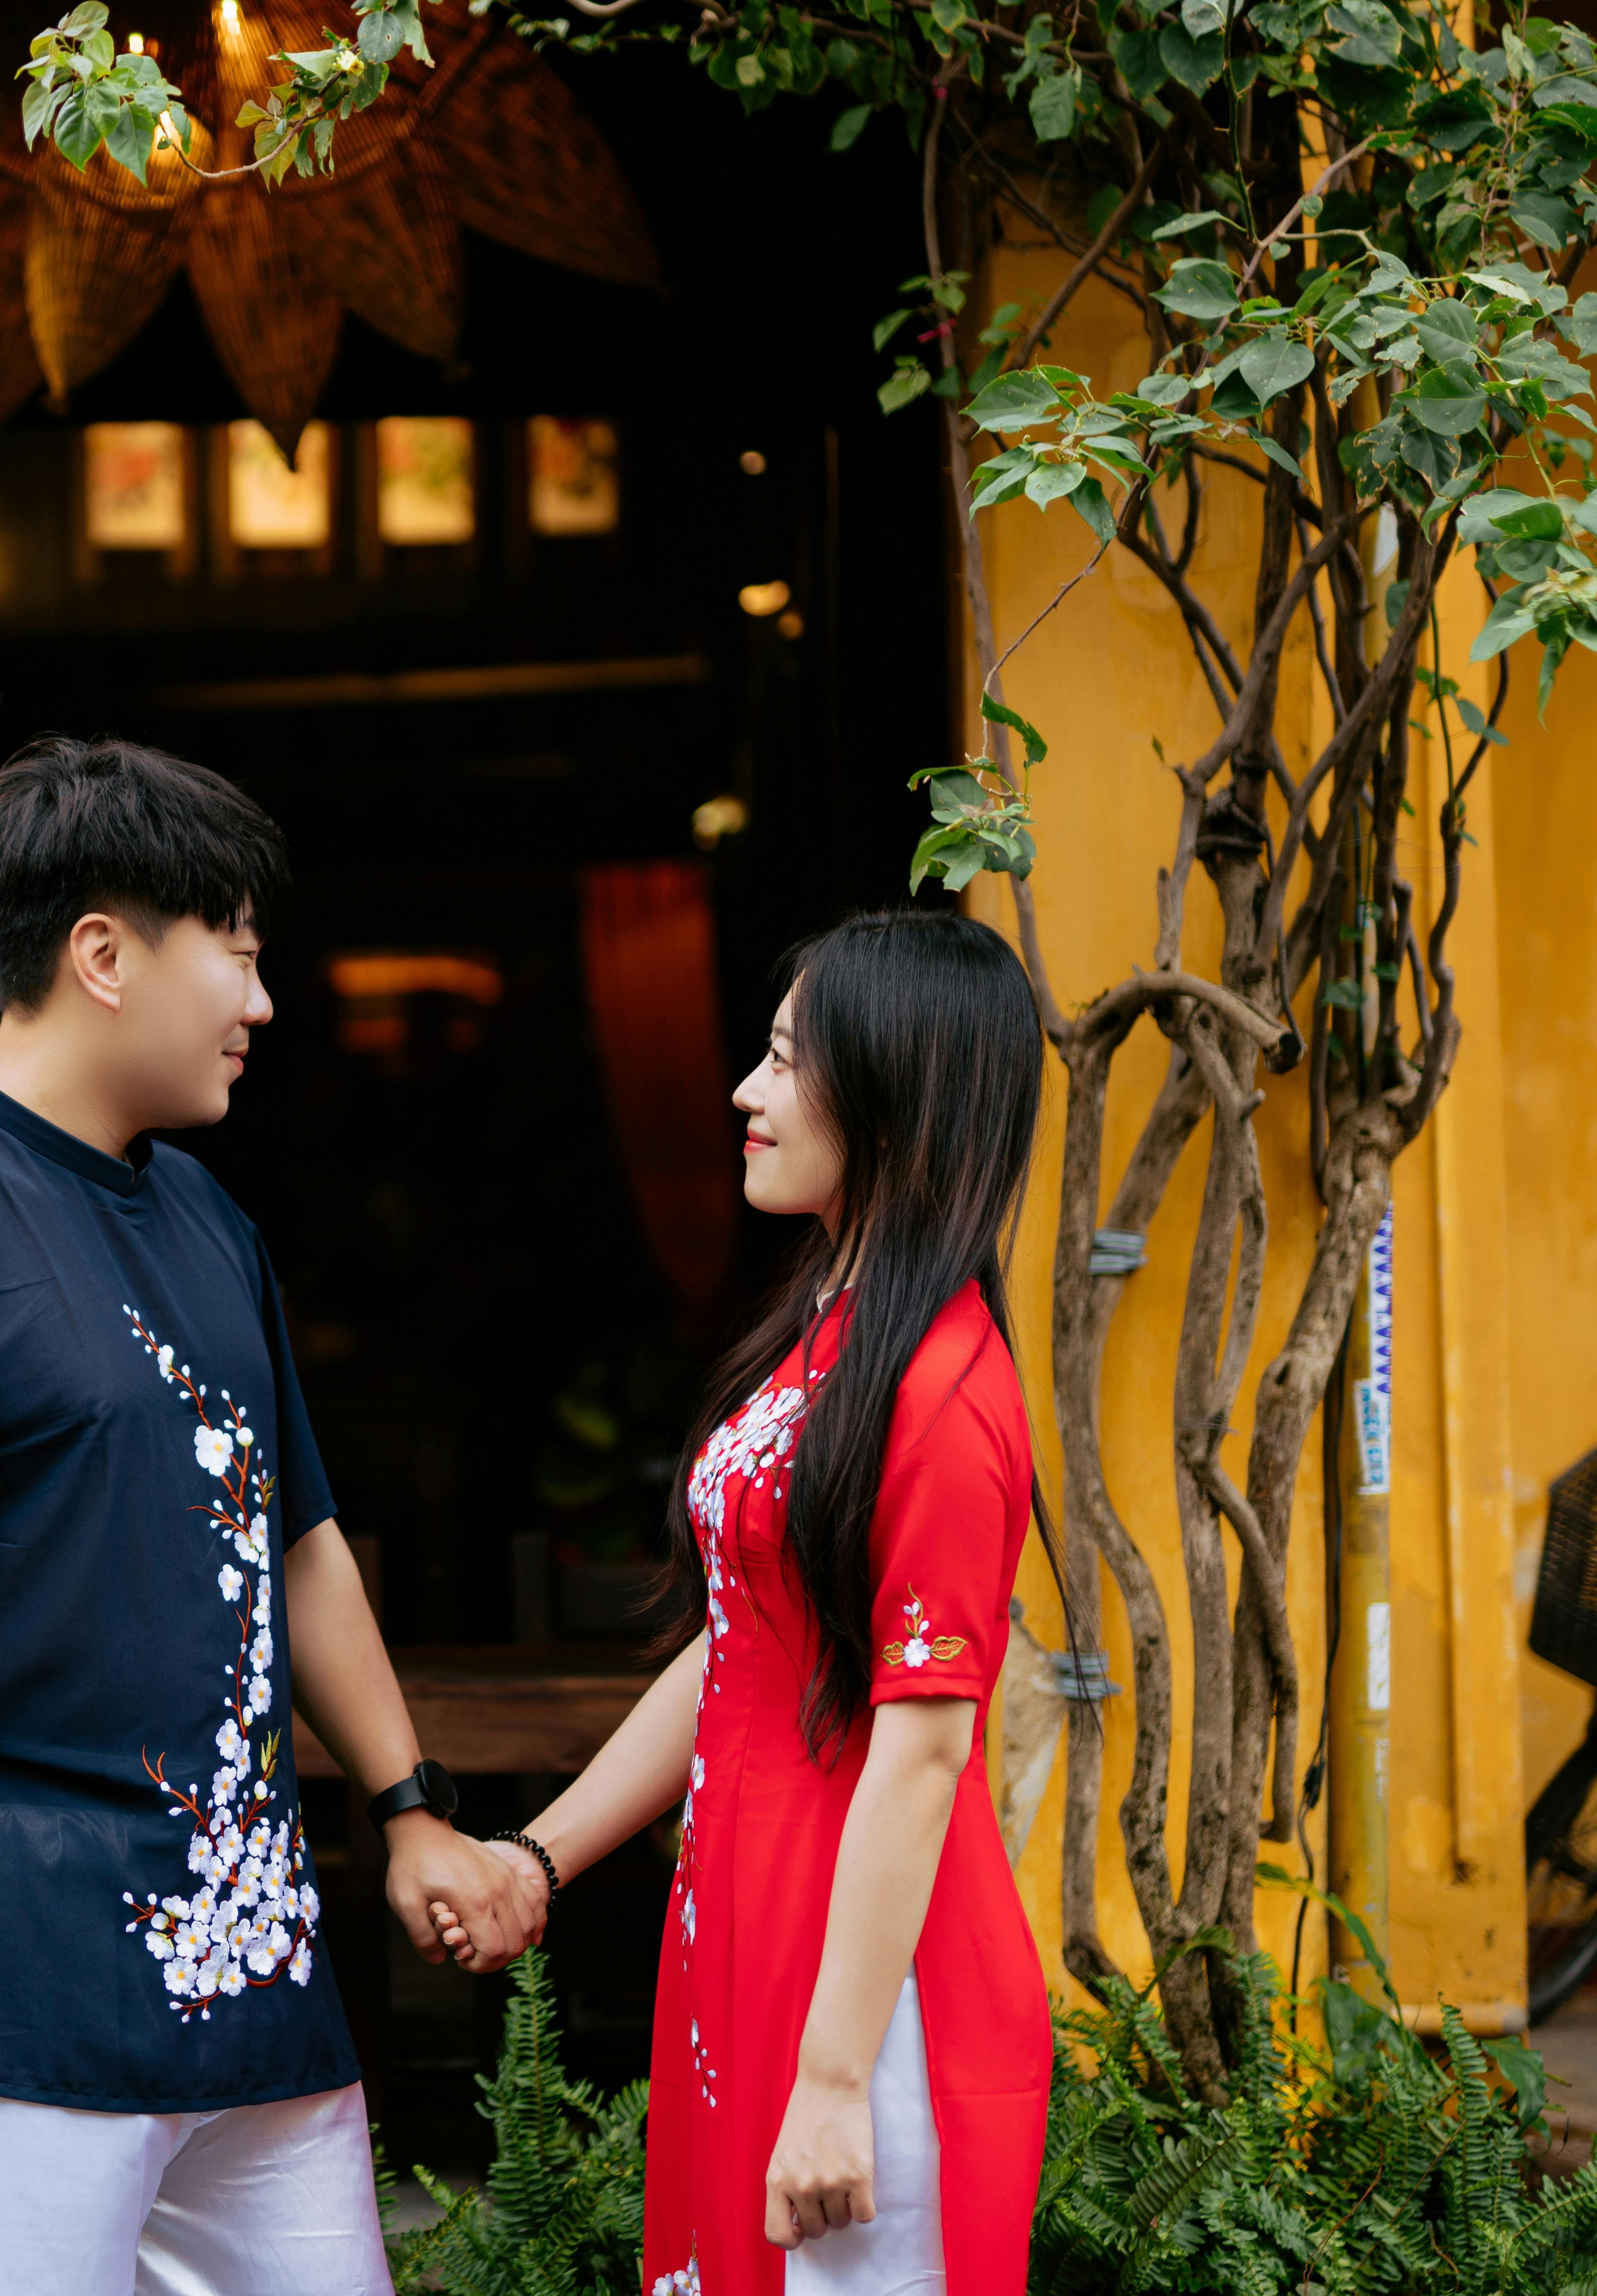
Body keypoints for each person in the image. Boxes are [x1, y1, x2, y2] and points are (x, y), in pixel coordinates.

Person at [0, 734, 542, 2296]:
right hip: (11, 1938)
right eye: (240, 951)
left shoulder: (206, 1212)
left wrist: (410, 1804)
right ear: (103, 956)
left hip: (250, 1939)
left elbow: (303, 1542)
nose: (266, 1002)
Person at [447, 907, 1055, 2296]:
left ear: (892, 1091)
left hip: (870, 1997)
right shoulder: (836, 1337)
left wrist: (838, 2081)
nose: (746, 1093)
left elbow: (926, 1744)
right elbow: (746, 1648)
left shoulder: (945, 1389)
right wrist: (536, 1861)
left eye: (786, 1062)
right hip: (754, 1935)